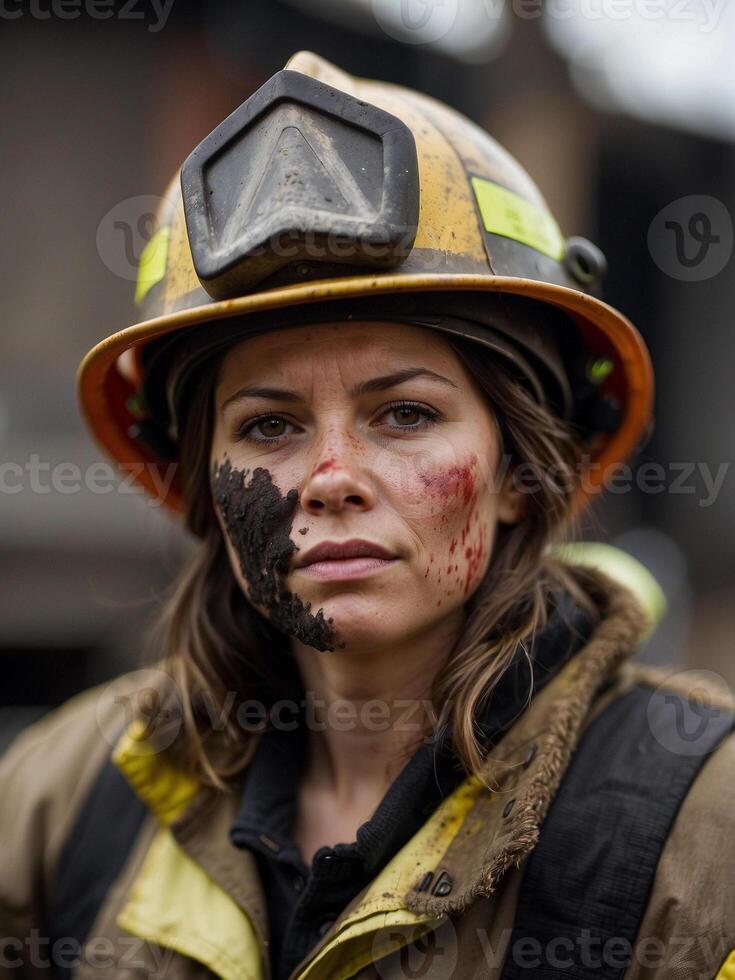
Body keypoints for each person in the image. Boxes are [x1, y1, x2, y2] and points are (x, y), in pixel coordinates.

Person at [1, 51, 733, 980]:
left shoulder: (701, 829)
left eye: (405, 414)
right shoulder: (67, 796)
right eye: (268, 425)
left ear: (519, 468)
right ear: (202, 485)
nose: (329, 478)